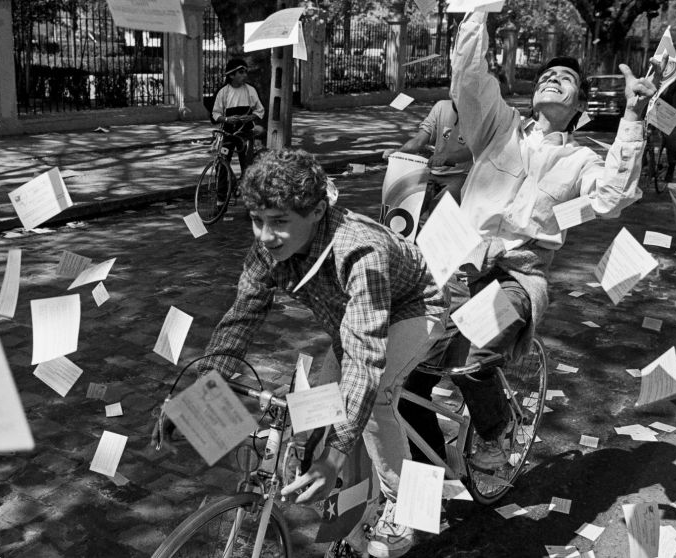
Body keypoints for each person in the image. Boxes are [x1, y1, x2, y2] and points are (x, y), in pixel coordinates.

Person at [162, 148, 454, 558]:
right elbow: (241, 316)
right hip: (352, 318)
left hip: (413, 308)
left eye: (279, 222)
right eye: (257, 220)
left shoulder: (361, 250)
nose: (265, 236)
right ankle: (346, 495)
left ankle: (403, 504)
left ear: (317, 211)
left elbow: (365, 360)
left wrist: (334, 455)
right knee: (321, 406)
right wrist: (197, 393)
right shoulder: (268, 250)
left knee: (374, 398)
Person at [439, 12, 656, 471]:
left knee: (470, 358)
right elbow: (469, 76)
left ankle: (497, 430)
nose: (553, 78)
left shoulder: (581, 160)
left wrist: (633, 116)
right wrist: (478, 9)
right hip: (452, 265)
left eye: (566, 78)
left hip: (514, 278)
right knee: (407, 365)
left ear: (580, 106)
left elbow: (611, 198)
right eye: (546, 75)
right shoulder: (498, 127)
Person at [383, 99, 473, 206]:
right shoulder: (441, 107)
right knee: (410, 204)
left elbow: (473, 150)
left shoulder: (477, 114)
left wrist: (447, 157)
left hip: (462, 175)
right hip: (434, 173)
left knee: (437, 206)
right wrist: (398, 153)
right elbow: (418, 141)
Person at [211, 58, 266, 179]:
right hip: (227, 133)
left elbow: (260, 110)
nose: (245, 75)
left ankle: (245, 187)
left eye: (245, 72)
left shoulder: (250, 90)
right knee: (222, 163)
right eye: (241, 72)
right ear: (231, 75)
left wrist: (250, 117)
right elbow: (215, 113)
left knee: (247, 165)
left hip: (245, 133)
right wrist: (227, 119)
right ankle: (221, 190)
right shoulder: (223, 92)